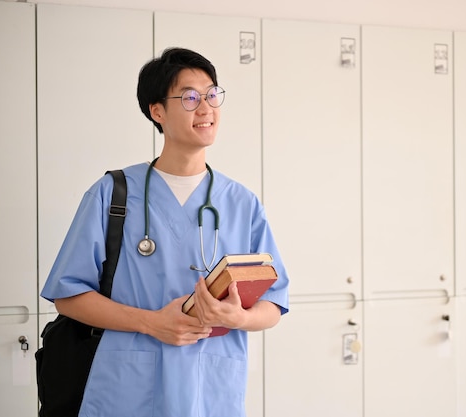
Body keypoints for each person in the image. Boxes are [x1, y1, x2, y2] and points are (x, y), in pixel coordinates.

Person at [40, 47, 289, 417]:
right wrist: (152, 323)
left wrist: (239, 319)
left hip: (210, 391)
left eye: (212, 94)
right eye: (189, 97)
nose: (206, 107)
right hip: (127, 389)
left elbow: (274, 303)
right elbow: (68, 296)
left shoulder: (242, 203)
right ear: (157, 111)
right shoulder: (112, 194)